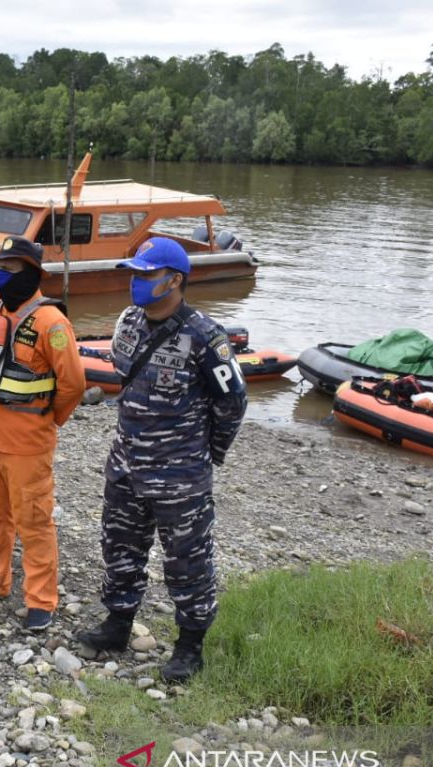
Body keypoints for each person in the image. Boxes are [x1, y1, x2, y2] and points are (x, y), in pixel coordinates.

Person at [76, 236, 247, 682]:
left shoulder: (205, 336)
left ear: (174, 280)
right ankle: (118, 622)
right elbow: (122, 373)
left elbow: (232, 402)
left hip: (180, 475)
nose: (137, 282)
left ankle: (190, 646)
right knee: (120, 547)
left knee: (187, 559)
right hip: (127, 464)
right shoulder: (129, 321)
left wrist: (208, 453)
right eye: (134, 274)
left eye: (146, 275)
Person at [0, 236, 85, 631]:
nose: (1, 275)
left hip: (27, 443)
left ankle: (41, 599)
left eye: (11, 269)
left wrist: (47, 420)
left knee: (34, 521)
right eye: (0, 267)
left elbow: (72, 384)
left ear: (33, 274)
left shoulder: (51, 322)